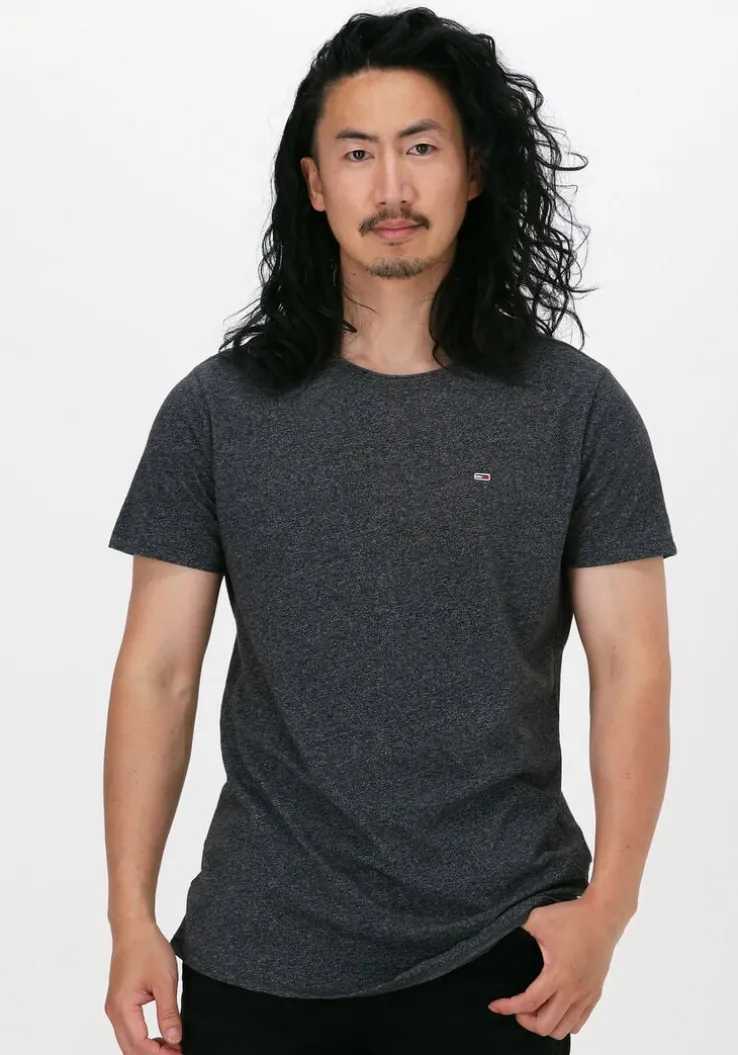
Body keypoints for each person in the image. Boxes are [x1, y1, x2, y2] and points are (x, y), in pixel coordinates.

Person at [103, 8, 677, 1054]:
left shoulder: (577, 408)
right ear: (315, 183)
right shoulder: (217, 411)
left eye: (421, 147)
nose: (392, 187)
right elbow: (158, 673)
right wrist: (130, 916)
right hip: (258, 950)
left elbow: (633, 668)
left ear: (473, 171)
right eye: (358, 153)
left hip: (500, 953)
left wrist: (611, 908)